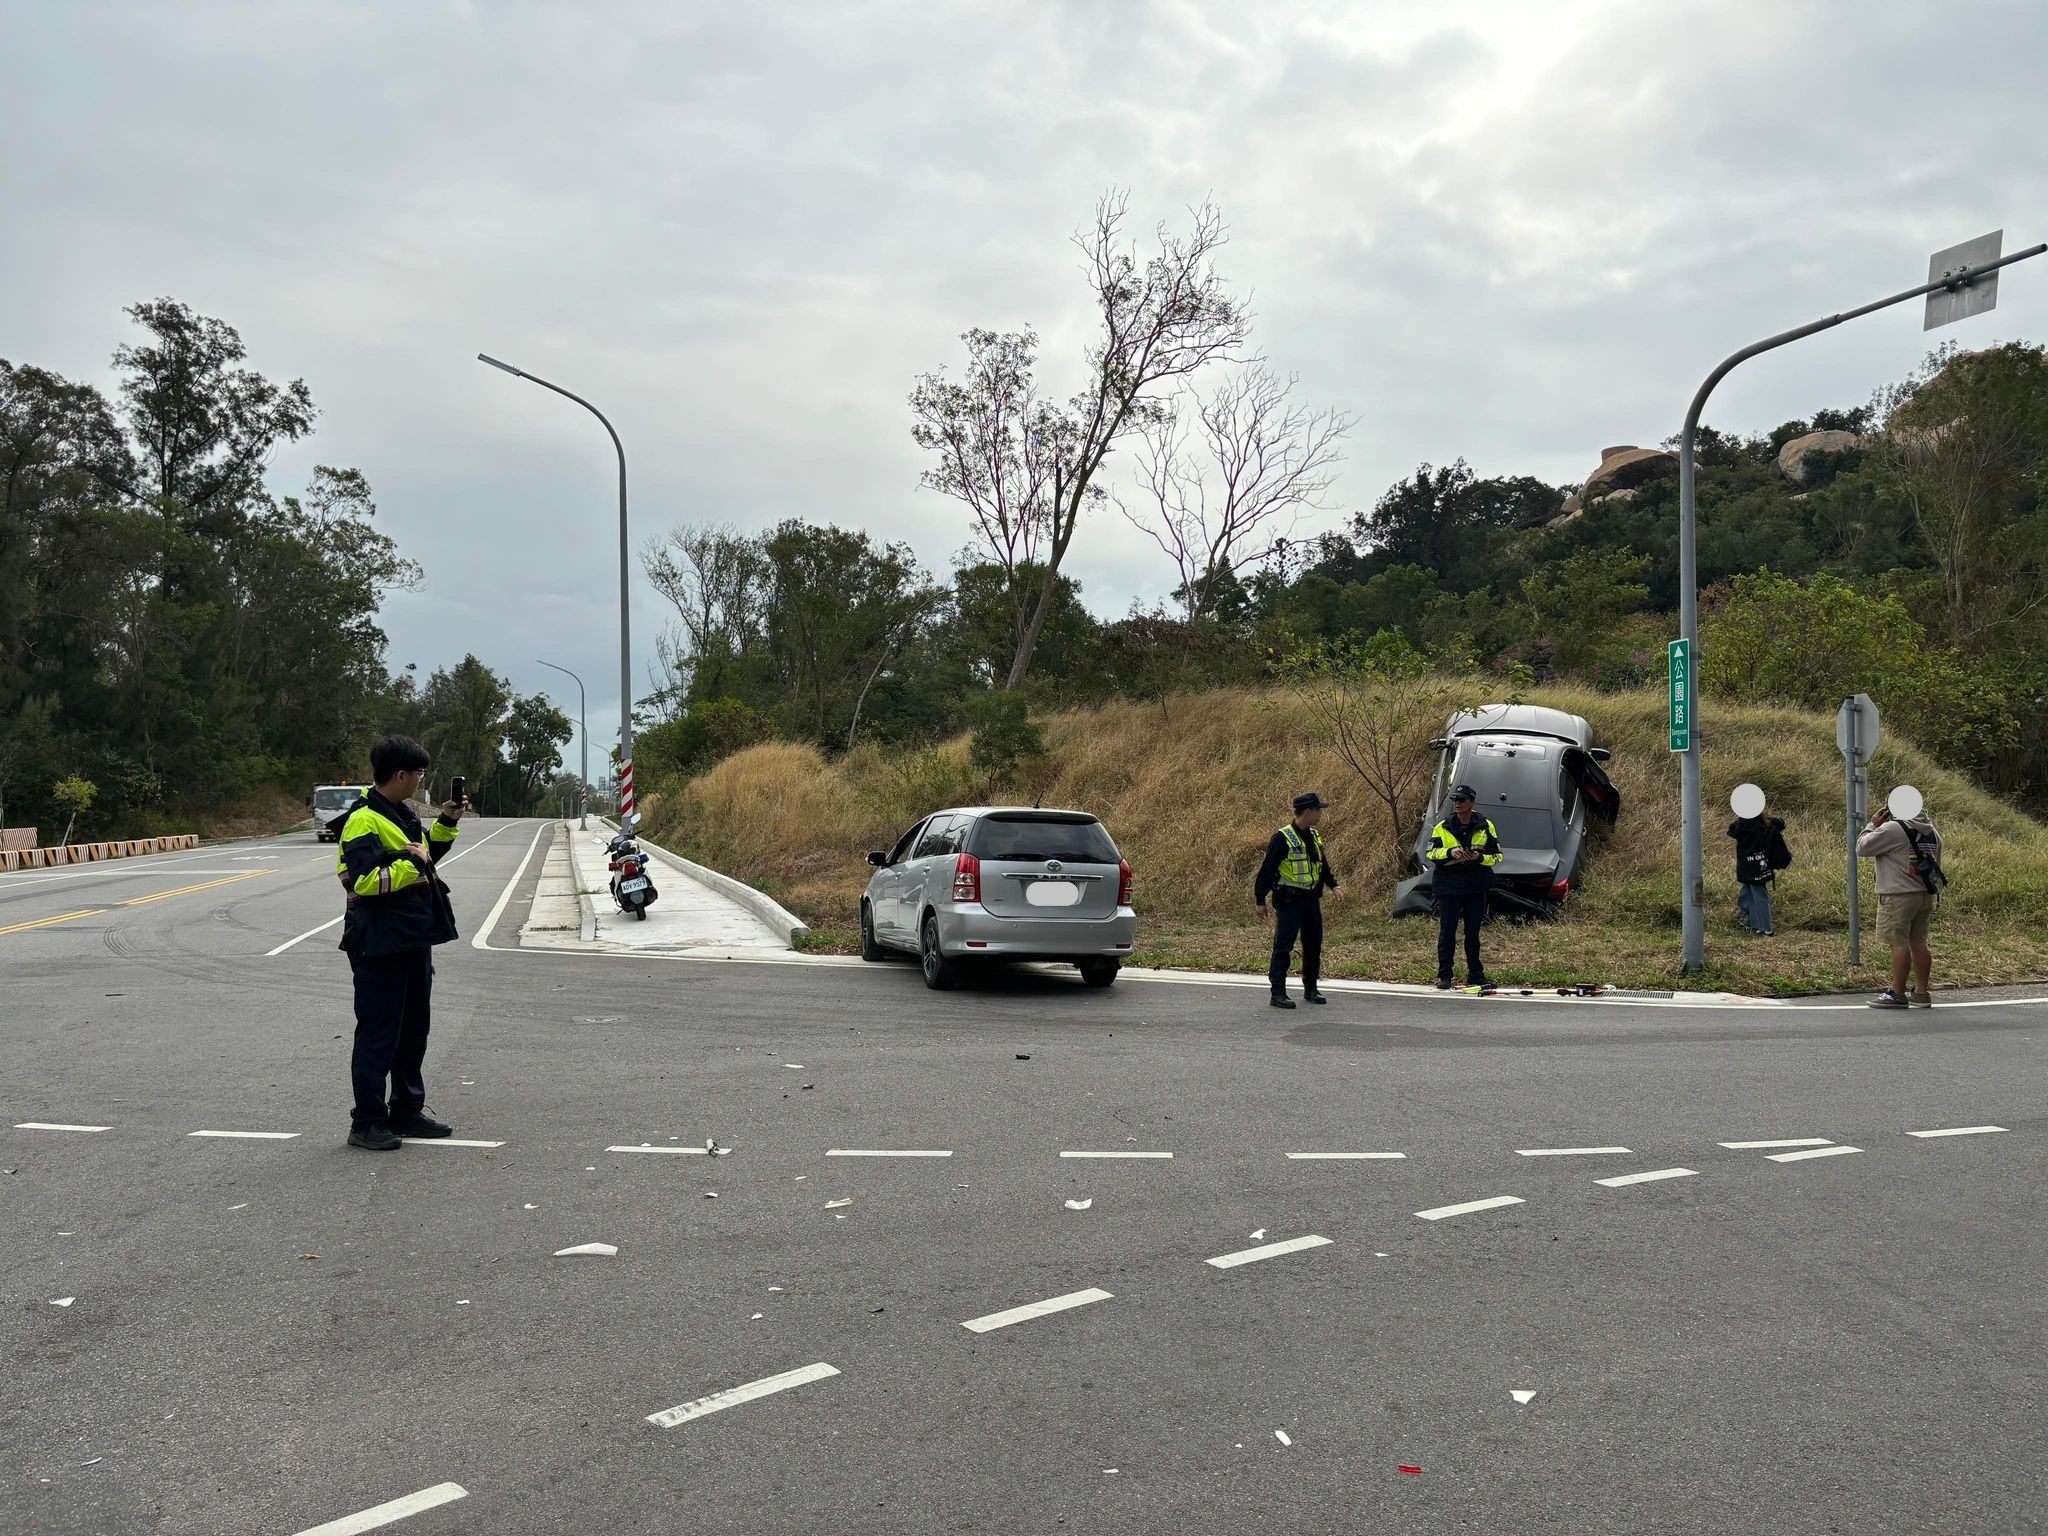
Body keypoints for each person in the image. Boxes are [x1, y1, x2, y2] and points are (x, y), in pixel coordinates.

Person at [337, 736, 466, 1149]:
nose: (420, 780)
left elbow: (426, 855)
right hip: (378, 943)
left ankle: (406, 1110)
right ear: (400, 775)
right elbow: (363, 881)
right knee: (379, 1033)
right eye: (419, 774)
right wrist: (413, 862)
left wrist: (446, 822)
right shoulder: (363, 821)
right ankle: (368, 1121)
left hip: (411, 937)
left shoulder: (400, 813)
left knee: (413, 1030)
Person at [1255, 792, 1340, 1009]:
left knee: (1313, 945)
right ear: (1308, 811)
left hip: (1311, 901)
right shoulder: (1282, 838)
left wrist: (1333, 885)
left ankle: (1310, 988)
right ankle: (1278, 993)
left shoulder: (1314, 835)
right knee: (1283, 947)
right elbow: (1267, 870)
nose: (1321, 814)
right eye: (1318, 810)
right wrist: (1260, 900)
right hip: (1290, 901)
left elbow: (1322, 865)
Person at [1857, 790, 1942, 1009]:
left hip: (1897, 895)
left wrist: (1872, 825)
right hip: (1924, 894)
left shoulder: (1893, 828)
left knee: (1898, 942)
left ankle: (1897, 992)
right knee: (1918, 942)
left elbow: (1862, 848)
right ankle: (1921, 993)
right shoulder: (1932, 832)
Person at [1426, 784, 1500, 990]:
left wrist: (1479, 857)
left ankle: (1475, 974)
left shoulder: (1486, 825)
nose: (1457, 804)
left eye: (1462, 800)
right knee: (1447, 931)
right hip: (1448, 885)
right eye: (1455, 800)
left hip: (1475, 885)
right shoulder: (1442, 826)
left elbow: (1497, 856)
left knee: (1473, 933)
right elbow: (1430, 853)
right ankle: (1445, 975)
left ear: (1472, 802)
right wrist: (1450, 852)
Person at [1727, 803, 1789, 936]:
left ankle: (1759, 926)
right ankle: (1759, 926)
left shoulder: (1741, 825)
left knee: (1750, 893)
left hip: (1745, 867)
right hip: (1762, 866)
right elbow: (1779, 824)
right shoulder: (1765, 825)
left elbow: (1732, 830)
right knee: (1757, 894)